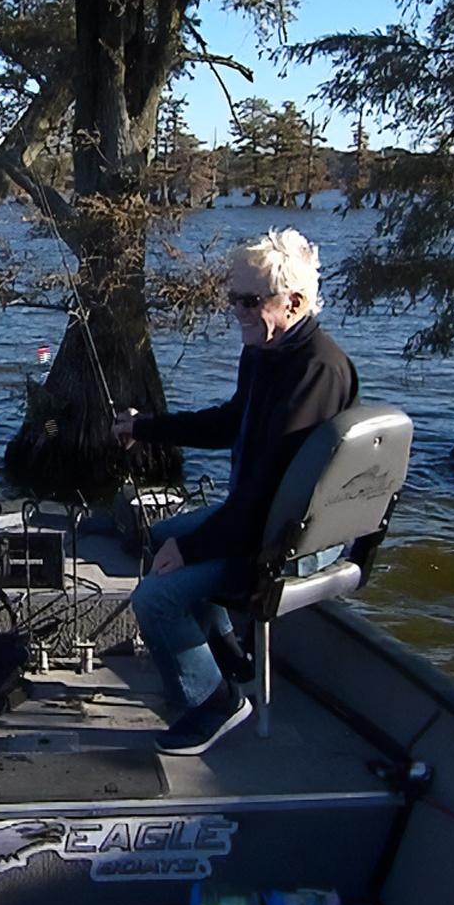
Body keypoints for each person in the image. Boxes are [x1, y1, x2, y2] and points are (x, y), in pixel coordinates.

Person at [114, 229, 358, 755]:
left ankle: (214, 703)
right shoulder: (264, 352)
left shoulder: (318, 371)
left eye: (250, 301)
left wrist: (194, 548)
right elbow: (230, 422)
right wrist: (147, 427)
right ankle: (231, 658)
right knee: (158, 537)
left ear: (293, 303)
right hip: (264, 520)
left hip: (292, 540)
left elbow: (269, 491)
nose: (237, 311)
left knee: (154, 598)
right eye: (233, 298)